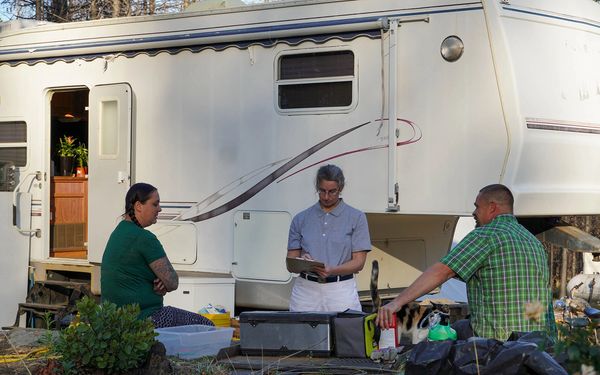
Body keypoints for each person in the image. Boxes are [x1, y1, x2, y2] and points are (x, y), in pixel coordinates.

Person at [377, 184, 556, 340]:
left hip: (498, 343)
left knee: (438, 339)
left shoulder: (486, 235)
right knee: (460, 328)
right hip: (537, 341)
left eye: (477, 207)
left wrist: (397, 303)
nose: (474, 213)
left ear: (492, 208)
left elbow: (442, 272)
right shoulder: (532, 241)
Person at [101, 182, 214, 328]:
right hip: (144, 317)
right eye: (155, 204)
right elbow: (172, 282)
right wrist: (162, 280)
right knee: (206, 324)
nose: (159, 209)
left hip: (114, 320)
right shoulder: (144, 238)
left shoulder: (119, 231)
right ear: (138, 206)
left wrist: (160, 280)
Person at [286, 164, 371, 312]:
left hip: (341, 288)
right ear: (317, 187)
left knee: (344, 332)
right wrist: (302, 261)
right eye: (322, 191)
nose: (326, 196)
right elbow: (290, 264)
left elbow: (359, 262)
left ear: (341, 188)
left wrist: (333, 269)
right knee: (302, 332)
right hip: (306, 289)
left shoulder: (356, 217)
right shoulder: (300, 219)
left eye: (332, 192)